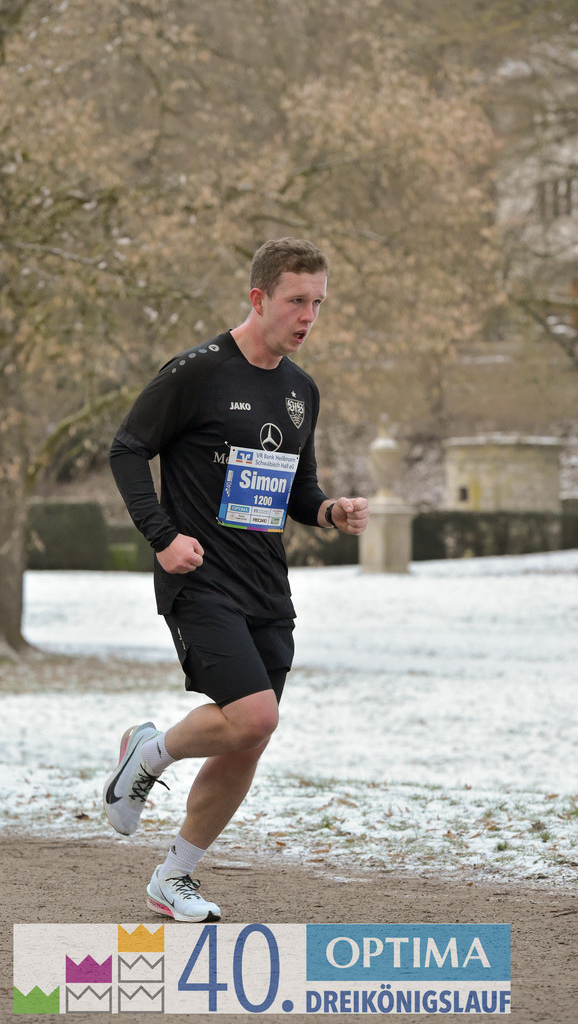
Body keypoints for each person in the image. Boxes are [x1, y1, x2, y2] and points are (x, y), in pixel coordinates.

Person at [104, 237, 369, 923]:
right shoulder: (195, 372)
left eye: (318, 303)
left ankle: (174, 876)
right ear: (259, 299)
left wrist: (329, 510)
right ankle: (149, 752)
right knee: (256, 714)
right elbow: (128, 448)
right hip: (200, 578)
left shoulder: (300, 390)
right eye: (296, 301)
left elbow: (295, 491)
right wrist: (163, 538)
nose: (308, 315)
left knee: (252, 735)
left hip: (265, 584)